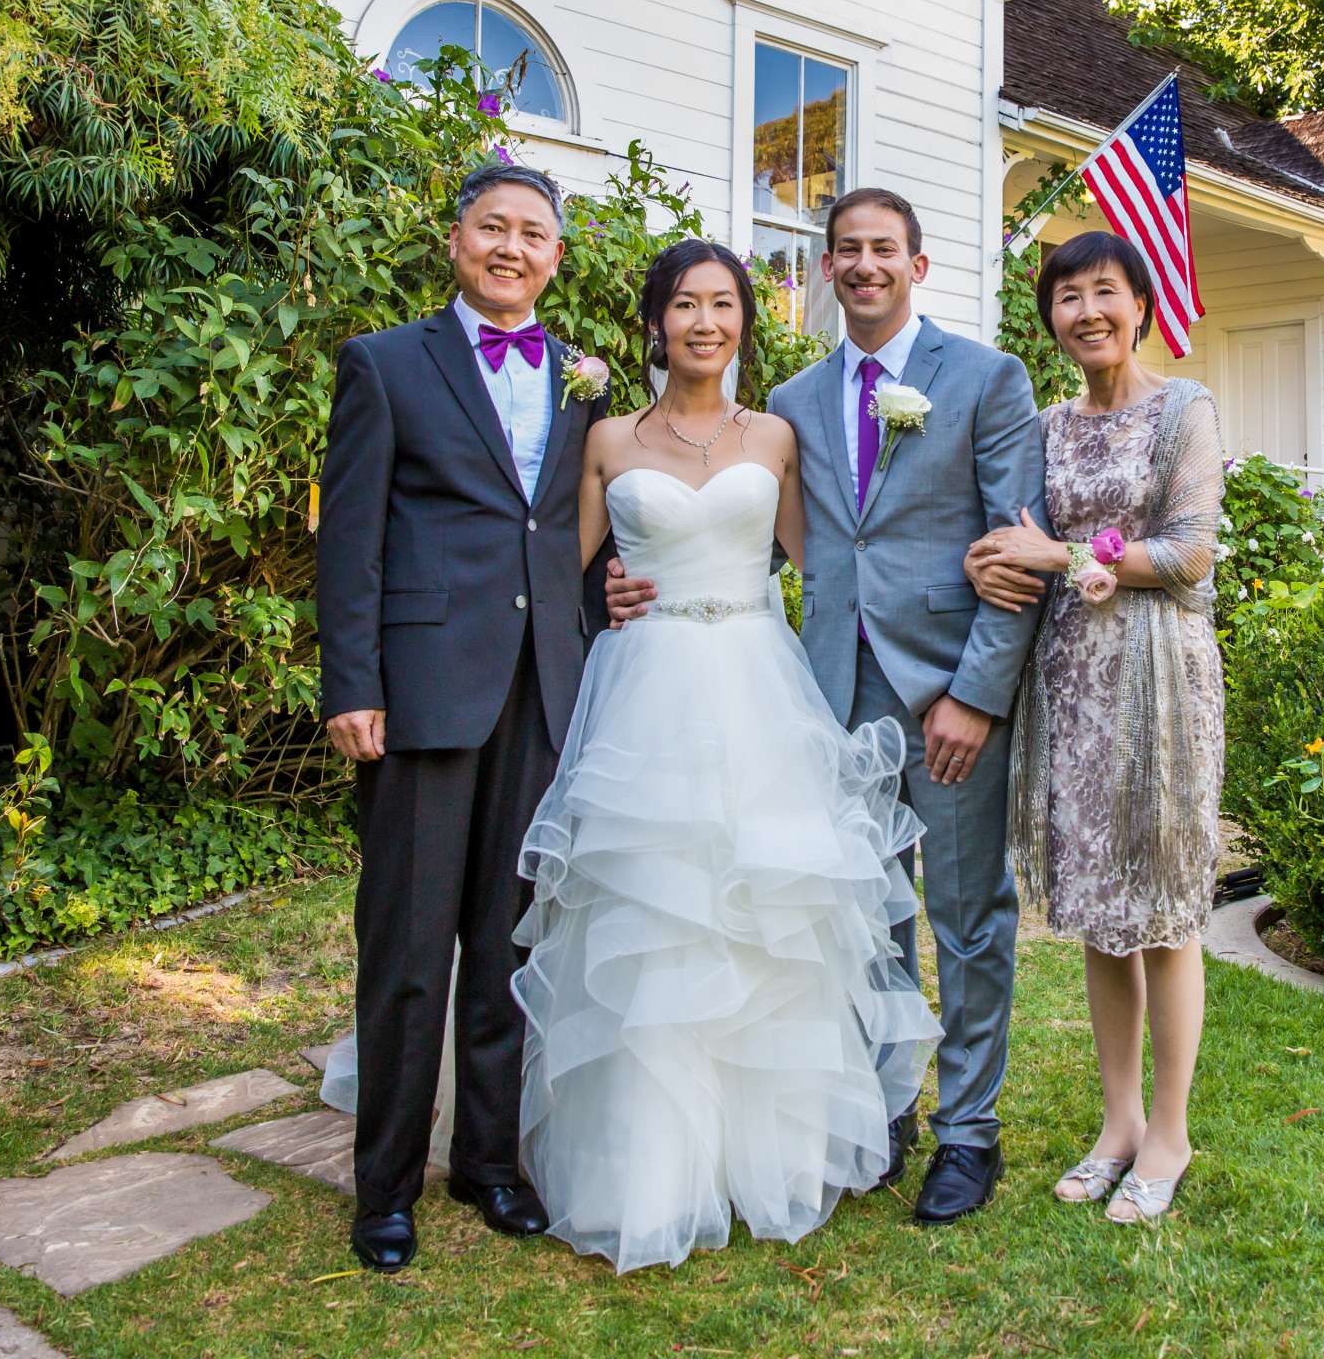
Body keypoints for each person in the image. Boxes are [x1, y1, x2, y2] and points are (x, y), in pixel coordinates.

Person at [608, 188, 1046, 1225]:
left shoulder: (985, 379)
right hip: (824, 695)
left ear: (918, 265)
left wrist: (974, 698)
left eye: (882, 249)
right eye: (845, 249)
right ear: (825, 269)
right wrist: (624, 587)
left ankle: (968, 1132)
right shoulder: (795, 400)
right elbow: (753, 528)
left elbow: (1015, 556)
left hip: (944, 695)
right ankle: (882, 1108)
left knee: (967, 918)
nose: (862, 265)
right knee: (861, 912)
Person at [514, 241, 939, 1273]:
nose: (705, 322)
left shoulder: (783, 436)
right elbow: (555, 571)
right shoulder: (608, 436)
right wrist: (606, 591)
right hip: (647, 685)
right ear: (655, 321)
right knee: (654, 911)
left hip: (758, 683)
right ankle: (648, 1165)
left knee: (764, 914)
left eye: (724, 304)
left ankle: (777, 1149)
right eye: (685, 305)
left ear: (747, 319)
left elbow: (831, 562)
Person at [315, 161, 605, 1273]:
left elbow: (568, 530)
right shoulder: (385, 365)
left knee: (504, 940)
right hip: (424, 692)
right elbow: (351, 540)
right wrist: (353, 683)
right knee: (404, 947)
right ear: (456, 240)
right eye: (494, 227)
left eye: (534, 233)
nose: (513, 247)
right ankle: (382, 1184)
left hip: (541, 688)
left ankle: (488, 1162)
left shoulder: (581, 379)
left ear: (555, 257)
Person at [961, 230, 1224, 1226]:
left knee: (1163, 904)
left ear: (1140, 302)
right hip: (1071, 681)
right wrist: (1001, 563)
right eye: (1066, 298)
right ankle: (1116, 1125)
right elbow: (1014, 541)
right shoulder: (1043, 425)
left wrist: (1066, 555)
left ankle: (1169, 1131)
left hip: (1160, 679)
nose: (1086, 312)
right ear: (1052, 320)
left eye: (1103, 291)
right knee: (1101, 909)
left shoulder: (1183, 408)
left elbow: (1190, 552)